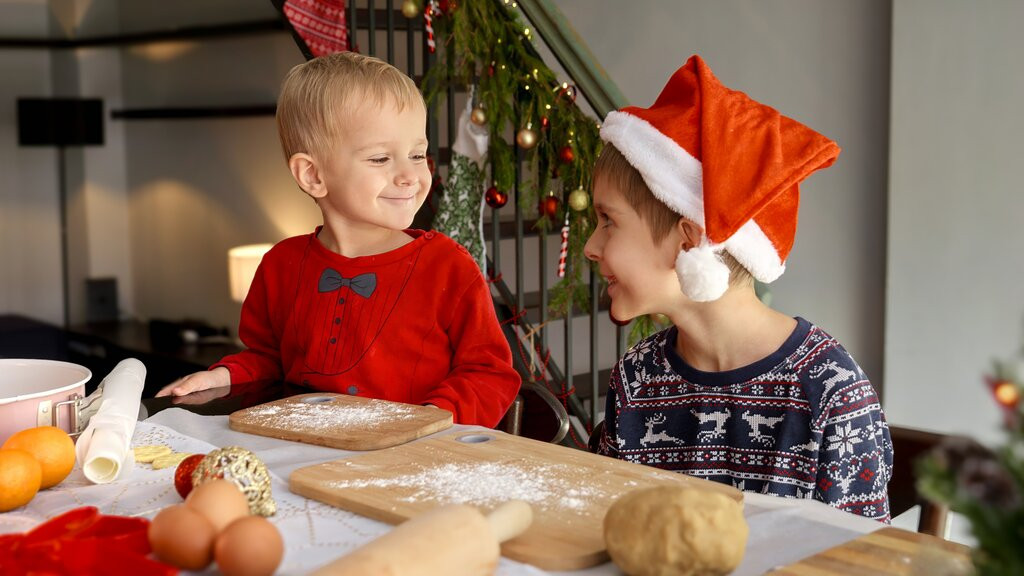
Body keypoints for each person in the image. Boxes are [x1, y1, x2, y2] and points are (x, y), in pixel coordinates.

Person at [585, 55, 893, 521]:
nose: (591, 245)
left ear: (688, 239)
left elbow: (865, 564)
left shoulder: (830, 394)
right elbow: (608, 527)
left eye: (608, 221)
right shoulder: (636, 378)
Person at [157, 52, 520, 427]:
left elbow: (488, 373)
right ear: (312, 175)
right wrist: (222, 376)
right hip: (302, 446)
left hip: (408, 458)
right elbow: (268, 357)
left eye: (417, 154)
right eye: (380, 159)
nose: (410, 175)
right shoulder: (281, 264)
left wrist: (430, 420)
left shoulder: (447, 266)